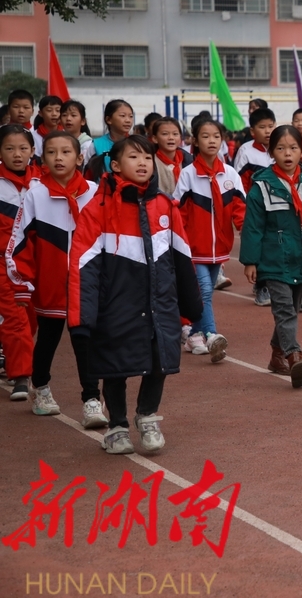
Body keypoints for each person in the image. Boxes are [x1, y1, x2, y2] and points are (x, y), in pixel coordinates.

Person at [69, 135, 202, 454]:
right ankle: (117, 426)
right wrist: (82, 314)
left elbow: (182, 257)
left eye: (147, 157)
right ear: (115, 165)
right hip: (115, 303)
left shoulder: (165, 205)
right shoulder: (97, 209)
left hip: (160, 302)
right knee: (114, 366)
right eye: (133, 157)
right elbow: (82, 264)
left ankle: (147, 415)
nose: (142, 163)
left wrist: (191, 305)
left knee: (160, 361)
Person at [7, 132, 103, 424]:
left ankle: (92, 400)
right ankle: (41, 387)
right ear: (42, 158)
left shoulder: (94, 192)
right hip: (49, 284)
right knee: (48, 338)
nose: (59, 158)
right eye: (51, 152)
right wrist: (22, 284)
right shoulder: (36, 195)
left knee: (84, 340)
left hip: (86, 284)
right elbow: (20, 242)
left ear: (80, 157)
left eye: (66, 152)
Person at [241, 125, 302, 388]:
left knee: (292, 309)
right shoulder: (261, 186)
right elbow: (252, 227)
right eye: (280, 148)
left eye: (293, 148)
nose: (287, 154)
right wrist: (251, 261)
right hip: (273, 258)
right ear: (271, 152)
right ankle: (294, 355)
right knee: (284, 309)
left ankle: (276, 355)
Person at [174, 119, 245, 361]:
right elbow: (179, 213)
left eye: (216, 136)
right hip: (194, 248)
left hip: (220, 247)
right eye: (205, 136)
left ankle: (194, 334)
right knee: (204, 290)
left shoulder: (230, 174)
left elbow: (240, 208)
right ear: (195, 140)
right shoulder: (188, 175)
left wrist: (246, 235)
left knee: (205, 295)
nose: (211, 141)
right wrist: (181, 244)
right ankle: (212, 336)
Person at [0, 124, 38, 400]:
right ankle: (22, 376)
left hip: (36, 263)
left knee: (33, 319)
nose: (17, 154)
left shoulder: (41, 183)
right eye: (9, 148)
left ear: (32, 151)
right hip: (4, 265)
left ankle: (11, 355)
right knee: (16, 318)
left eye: (23, 148)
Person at [84, 100, 134, 176]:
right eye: (122, 116)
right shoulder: (95, 145)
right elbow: (87, 173)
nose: (128, 120)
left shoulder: (136, 144)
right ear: (108, 120)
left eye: (131, 116)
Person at [233, 107, 276, 193]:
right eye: (262, 127)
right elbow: (240, 184)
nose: (267, 131)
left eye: (271, 126)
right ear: (252, 131)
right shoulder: (246, 151)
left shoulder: (282, 149)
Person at [151, 117, 191, 196]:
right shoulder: (150, 162)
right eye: (165, 134)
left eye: (175, 134)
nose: (171, 138)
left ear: (180, 138)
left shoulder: (189, 161)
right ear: (155, 138)